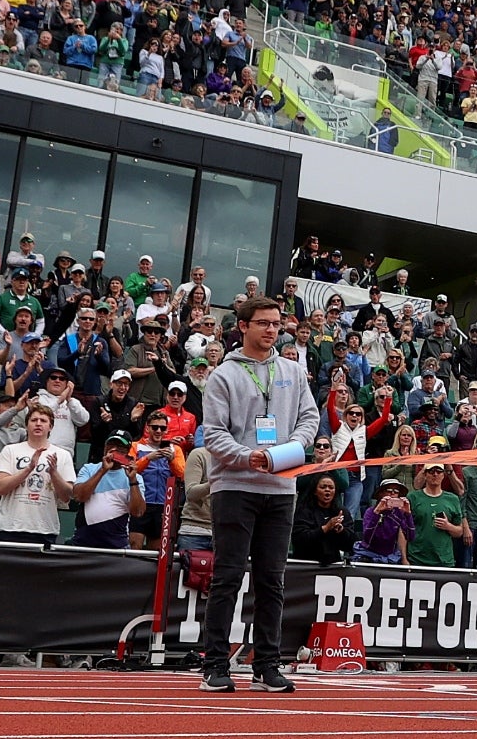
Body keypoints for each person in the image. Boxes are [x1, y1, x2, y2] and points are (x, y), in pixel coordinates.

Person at [199, 296, 316, 694]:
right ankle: (215, 665)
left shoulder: (293, 371)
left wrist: (287, 451)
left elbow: (309, 418)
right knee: (227, 576)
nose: (271, 330)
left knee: (272, 580)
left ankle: (267, 665)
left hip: (281, 487)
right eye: (263, 323)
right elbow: (213, 433)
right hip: (235, 486)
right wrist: (248, 457)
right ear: (243, 326)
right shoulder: (223, 376)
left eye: (276, 324)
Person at [0, 401, 76, 547]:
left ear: (51, 426)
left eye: (43, 421)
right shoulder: (10, 450)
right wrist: (28, 468)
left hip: (44, 530)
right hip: (9, 528)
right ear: (26, 425)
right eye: (34, 420)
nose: (38, 424)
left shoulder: (63, 455)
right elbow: (0, 488)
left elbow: (66, 496)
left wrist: (53, 472)